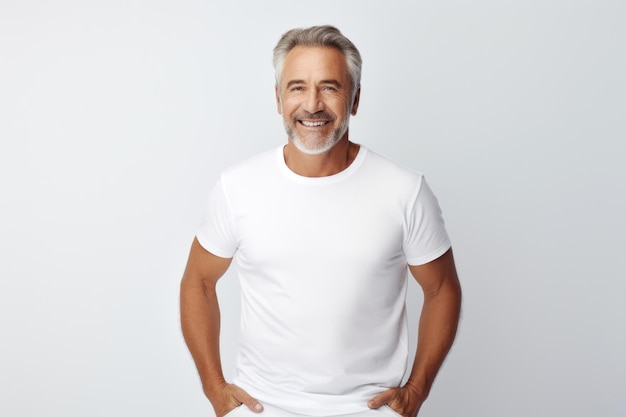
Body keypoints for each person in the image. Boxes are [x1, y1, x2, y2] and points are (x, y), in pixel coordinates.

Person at [180, 25, 462, 417]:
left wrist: (416, 390)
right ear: (279, 99)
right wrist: (215, 388)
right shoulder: (238, 187)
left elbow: (442, 289)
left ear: (356, 99)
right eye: (297, 87)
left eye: (330, 87)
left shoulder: (404, 190)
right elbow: (199, 281)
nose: (312, 104)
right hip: (263, 408)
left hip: (367, 409)